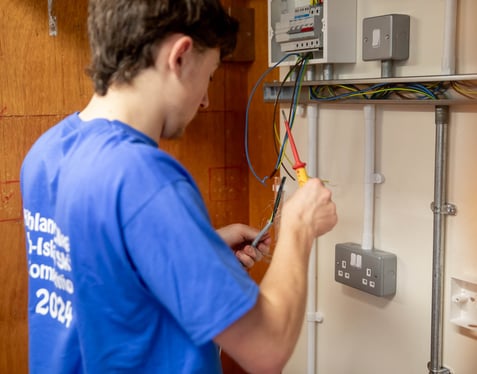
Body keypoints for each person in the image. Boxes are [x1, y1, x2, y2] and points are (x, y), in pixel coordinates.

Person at [20, 0, 337, 373]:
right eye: (210, 75)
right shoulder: (143, 177)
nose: (204, 100)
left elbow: (100, 275)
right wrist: (299, 226)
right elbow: (266, 348)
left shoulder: (46, 152)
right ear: (181, 56)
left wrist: (203, 248)